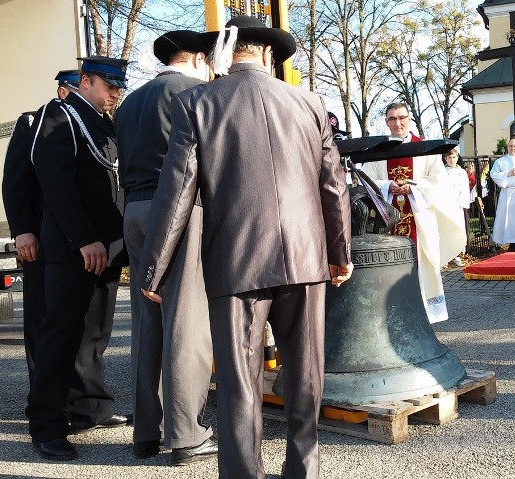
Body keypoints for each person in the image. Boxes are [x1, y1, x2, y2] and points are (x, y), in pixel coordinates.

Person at [138, 16, 353, 479]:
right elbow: (333, 186)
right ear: (269, 55)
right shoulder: (310, 103)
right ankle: (304, 469)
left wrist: (154, 270)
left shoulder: (196, 103)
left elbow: (177, 194)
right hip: (305, 258)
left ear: (225, 53)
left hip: (235, 263)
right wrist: (340, 254)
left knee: (240, 385)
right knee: (306, 374)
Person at [114, 30, 217, 464]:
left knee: (147, 322)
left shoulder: (131, 102)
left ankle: (146, 431)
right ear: (196, 57)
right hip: (177, 208)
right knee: (186, 323)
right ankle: (186, 434)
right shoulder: (196, 93)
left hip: (134, 210)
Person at [26, 56, 132, 461]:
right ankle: (46, 425)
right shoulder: (61, 114)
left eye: (118, 85)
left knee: (93, 336)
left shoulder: (104, 123)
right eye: (109, 84)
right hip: (78, 250)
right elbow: (56, 184)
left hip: (106, 248)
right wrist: (83, 239)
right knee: (60, 337)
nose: (115, 92)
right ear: (85, 81)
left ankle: (88, 411)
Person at [3, 69, 79, 381]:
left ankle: (79, 398)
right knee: (42, 319)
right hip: (40, 240)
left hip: (76, 240)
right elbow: (16, 181)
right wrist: (22, 231)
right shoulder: (33, 123)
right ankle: (43, 391)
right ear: (63, 92)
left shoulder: (94, 127)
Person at [361, 102, 466, 322]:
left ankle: (424, 315)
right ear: (386, 121)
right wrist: (386, 185)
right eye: (392, 119)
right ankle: (393, 313)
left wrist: (413, 187)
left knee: (421, 266)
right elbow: (366, 178)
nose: (397, 123)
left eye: (401, 118)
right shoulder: (378, 150)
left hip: (419, 220)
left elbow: (438, 182)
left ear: (409, 119)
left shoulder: (424, 148)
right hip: (388, 220)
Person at [444, 148, 470, 267]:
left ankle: (456, 254)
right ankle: (444, 255)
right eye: (449, 157)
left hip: (456, 205)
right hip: (445, 204)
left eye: (454, 157)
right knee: (445, 229)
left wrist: (462, 203)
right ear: (446, 158)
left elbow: (465, 189)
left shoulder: (461, 172)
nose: (452, 160)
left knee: (456, 229)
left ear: (457, 158)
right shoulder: (442, 172)